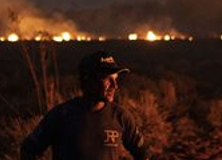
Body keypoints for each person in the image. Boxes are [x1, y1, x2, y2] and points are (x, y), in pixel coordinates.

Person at [21, 51, 150, 160]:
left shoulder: (121, 116)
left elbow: (143, 153)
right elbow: (28, 149)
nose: (115, 86)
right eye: (107, 79)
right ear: (88, 79)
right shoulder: (61, 115)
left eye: (115, 79)